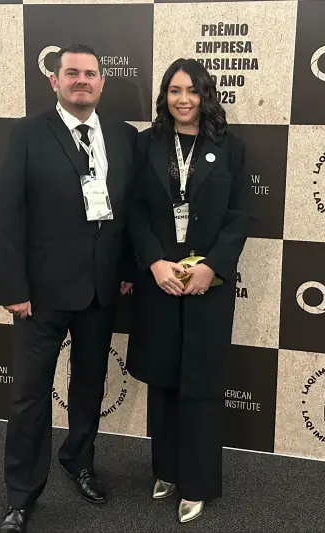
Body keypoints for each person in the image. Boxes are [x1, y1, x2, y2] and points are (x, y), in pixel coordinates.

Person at [0, 44, 138, 533]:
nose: (81, 81)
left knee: (89, 385)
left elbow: (132, 209)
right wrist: (13, 286)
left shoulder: (122, 136)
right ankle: (21, 494)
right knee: (30, 397)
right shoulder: (27, 134)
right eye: (72, 73)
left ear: (102, 82)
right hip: (40, 295)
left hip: (100, 291)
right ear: (54, 80)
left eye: (90, 74)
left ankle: (79, 460)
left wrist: (128, 268)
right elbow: (3, 214)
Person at [126, 58, 252, 523]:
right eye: (175, 90)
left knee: (200, 382)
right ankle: (166, 469)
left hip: (207, 285)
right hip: (160, 280)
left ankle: (197, 483)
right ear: (164, 96)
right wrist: (154, 261)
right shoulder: (146, 144)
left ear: (205, 95)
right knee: (163, 376)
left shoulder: (230, 147)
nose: (183, 99)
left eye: (192, 91)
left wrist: (212, 266)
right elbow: (134, 210)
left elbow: (241, 215)